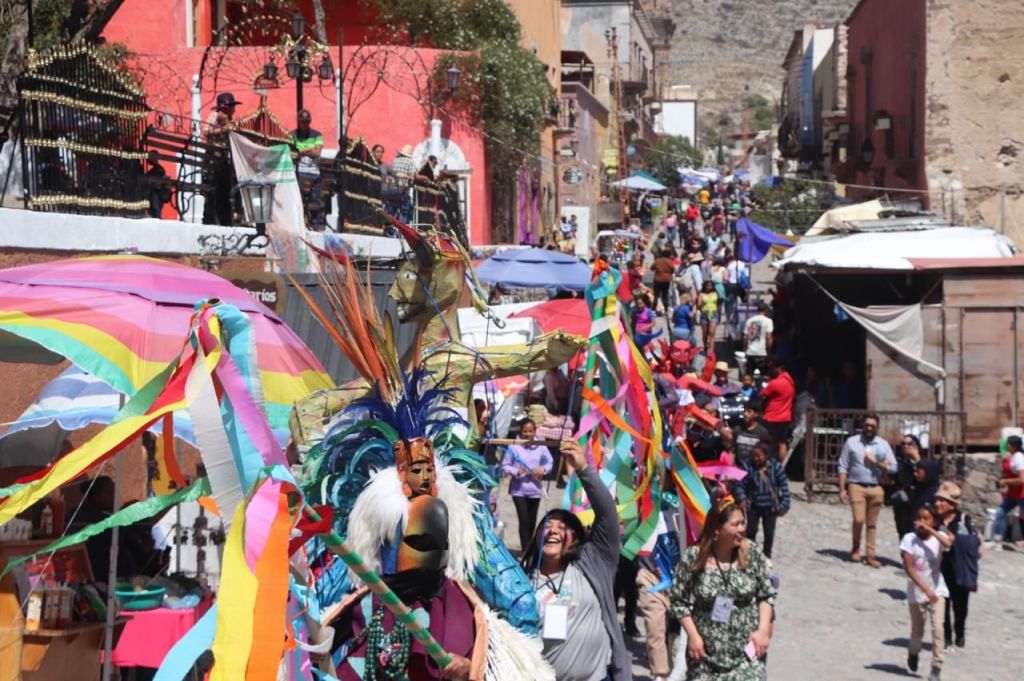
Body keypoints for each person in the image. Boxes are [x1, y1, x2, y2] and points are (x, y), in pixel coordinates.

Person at [522, 439, 632, 681]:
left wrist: (584, 469)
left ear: (576, 539)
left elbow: (607, 515)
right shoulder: (519, 580)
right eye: (547, 526)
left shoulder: (593, 562)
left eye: (562, 527)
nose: (553, 531)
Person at [669, 498, 775, 680]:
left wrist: (763, 630)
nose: (742, 529)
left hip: (745, 653)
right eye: (735, 524)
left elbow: (766, 594)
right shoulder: (694, 557)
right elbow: (678, 600)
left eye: (743, 523)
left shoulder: (751, 553)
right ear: (717, 530)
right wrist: (693, 636)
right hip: (706, 654)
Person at [900, 504, 952, 681]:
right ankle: (913, 652)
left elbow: (948, 543)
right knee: (917, 632)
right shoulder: (909, 539)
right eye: (919, 518)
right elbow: (909, 568)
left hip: (938, 590)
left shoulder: (939, 537)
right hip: (917, 591)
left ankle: (936, 667)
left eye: (926, 518)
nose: (921, 522)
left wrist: (932, 530)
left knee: (938, 629)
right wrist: (925, 589)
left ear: (934, 521)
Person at [838, 414, 897, 567]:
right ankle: (855, 547)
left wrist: (879, 463)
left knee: (872, 524)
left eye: (872, 425)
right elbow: (843, 465)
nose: (869, 428)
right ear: (862, 426)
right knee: (858, 519)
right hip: (856, 485)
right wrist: (842, 488)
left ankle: (870, 555)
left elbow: (894, 467)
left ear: (877, 427)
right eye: (867, 425)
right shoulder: (852, 442)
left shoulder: (883, 445)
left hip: (876, 486)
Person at [933, 482, 981, 650]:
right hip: (940, 570)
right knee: (942, 606)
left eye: (942, 500)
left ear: (952, 505)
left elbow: (976, 541)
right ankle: (945, 637)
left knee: (960, 607)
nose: (938, 503)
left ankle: (959, 631)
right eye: (937, 500)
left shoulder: (963, 519)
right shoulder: (933, 519)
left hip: (960, 570)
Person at [502, 419, 553, 552]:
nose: (528, 434)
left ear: (535, 431)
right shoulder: (513, 446)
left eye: (530, 431)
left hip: (535, 489)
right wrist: (516, 471)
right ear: (520, 431)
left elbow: (550, 461)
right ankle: (525, 550)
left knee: (532, 521)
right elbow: (505, 465)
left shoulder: (541, 446)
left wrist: (543, 470)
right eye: (525, 431)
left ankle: (531, 548)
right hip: (518, 489)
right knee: (524, 520)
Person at [736, 444, 791, 559]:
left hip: (770, 507)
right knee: (750, 531)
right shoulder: (748, 467)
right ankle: (750, 554)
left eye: (758, 456)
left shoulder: (776, 467)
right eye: (754, 456)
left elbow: (784, 487)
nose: (755, 458)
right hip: (753, 506)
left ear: (766, 455)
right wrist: (741, 498)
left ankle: (766, 557)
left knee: (769, 533)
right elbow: (739, 484)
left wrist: (784, 505)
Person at [203, 92, 241, 226]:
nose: (234, 109)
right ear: (226, 107)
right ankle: (213, 218)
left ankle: (229, 217)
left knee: (228, 189)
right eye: (232, 106)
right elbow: (206, 131)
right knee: (215, 191)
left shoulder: (232, 120)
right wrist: (223, 130)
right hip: (214, 159)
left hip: (226, 161)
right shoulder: (214, 116)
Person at [289, 108, 325, 230]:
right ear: (298, 121)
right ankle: (298, 223)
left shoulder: (317, 134)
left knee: (315, 200)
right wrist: (310, 149)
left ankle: (316, 224)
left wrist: (302, 151)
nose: (305, 124)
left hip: (314, 172)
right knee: (297, 199)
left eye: (307, 121)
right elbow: (292, 152)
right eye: (303, 121)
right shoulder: (292, 135)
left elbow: (317, 153)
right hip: (298, 171)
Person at [991, 434, 1024, 547]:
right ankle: (997, 540)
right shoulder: (1011, 457)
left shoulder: (1019, 458)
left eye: (1008, 444)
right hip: (1012, 493)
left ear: (1013, 446)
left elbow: (1021, 479)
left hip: (1022, 493)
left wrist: (1005, 482)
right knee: (1000, 513)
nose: (1006, 445)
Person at [890, 434, 924, 541]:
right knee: (903, 530)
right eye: (903, 444)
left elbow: (926, 477)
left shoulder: (923, 462)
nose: (906, 446)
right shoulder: (898, 463)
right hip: (903, 502)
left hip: (919, 500)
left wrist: (917, 458)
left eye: (910, 444)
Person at [760, 360, 794, 463]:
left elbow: (760, 394)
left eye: (772, 368)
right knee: (782, 443)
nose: (771, 370)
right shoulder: (790, 380)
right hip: (785, 417)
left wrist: (767, 384)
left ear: (778, 368)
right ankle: (782, 467)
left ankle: (767, 465)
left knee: (767, 443)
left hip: (772, 417)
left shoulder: (775, 383)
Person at [734, 401, 772, 468]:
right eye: (744, 411)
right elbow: (732, 451)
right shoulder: (737, 429)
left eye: (749, 411)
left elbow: (765, 454)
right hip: (739, 468)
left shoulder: (762, 432)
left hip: (754, 469)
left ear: (756, 414)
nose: (745, 414)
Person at [742, 303, 773, 376]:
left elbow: (745, 337)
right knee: (762, 375)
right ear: (766, 311)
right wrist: (769, 351)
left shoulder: (750, 320)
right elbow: (768, 337)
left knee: (750, 375)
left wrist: (745, 349)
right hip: (762, 352)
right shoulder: (768, 321)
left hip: (751, 352)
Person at [652, 248, 677, 314]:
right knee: (665, 294)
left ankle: (654, 309)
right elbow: (673, 269)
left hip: (657, 279)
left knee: (656, 295)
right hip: (666, 280)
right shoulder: (669, 262)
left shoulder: (658, 261)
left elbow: (652, 268)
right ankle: (666, 308)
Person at [697, 280, 719, 350]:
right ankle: (705, 347)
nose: (709, 287)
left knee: (711, 332)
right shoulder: (701, 294)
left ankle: (711, 349)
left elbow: (719, 303)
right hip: (704, 314)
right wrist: (702, 303)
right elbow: (698, 305)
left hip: (713, 313)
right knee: (705, 333)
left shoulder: (715, 293)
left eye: (711, 285)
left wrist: (718, 310)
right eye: (708, 285)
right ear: (705, 286)